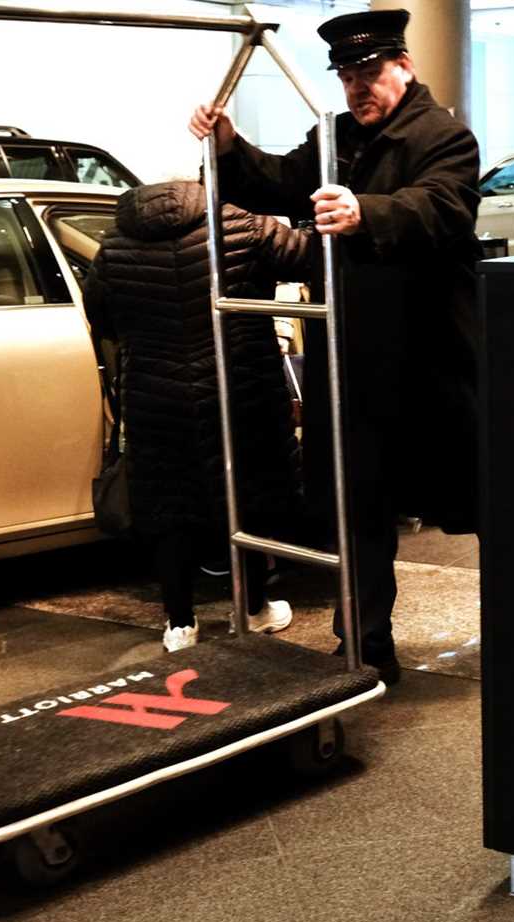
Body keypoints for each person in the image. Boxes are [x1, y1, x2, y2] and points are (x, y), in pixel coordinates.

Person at [188, 9, 482, 685]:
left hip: (430, 358)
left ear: (403, 67)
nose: (358, 88)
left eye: (370, 72)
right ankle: (364, 648)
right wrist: (231, 147)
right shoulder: (334, 136)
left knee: (475, 503)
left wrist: (364, 211)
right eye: (348, 75)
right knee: (359, 510)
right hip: (352, 360)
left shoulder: (444, 136)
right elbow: (275, 183)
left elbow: (440, 206)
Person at [83, 180, 310, 652]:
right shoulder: (243, 225)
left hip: (156, 395)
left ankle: (180, 623)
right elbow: (307, 256)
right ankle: (252, 609)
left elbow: (102, 318)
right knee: (246, 492)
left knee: (169, 507)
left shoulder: (114, 245)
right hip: (238, 386)